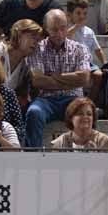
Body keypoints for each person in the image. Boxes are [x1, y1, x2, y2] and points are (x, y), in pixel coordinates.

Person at [22, 10, 92, 147]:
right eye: (54, 29)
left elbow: (84, 78)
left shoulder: (80, 49)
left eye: (63, 28)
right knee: (34, 112)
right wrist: (71, 81)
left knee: (85, 112)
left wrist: (51, 77)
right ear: (46, 29)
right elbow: (38, 80)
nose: (60, 33)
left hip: (73, 99)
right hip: (45, 100)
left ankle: (85, 154)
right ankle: (32, 156)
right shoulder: (37, 49)